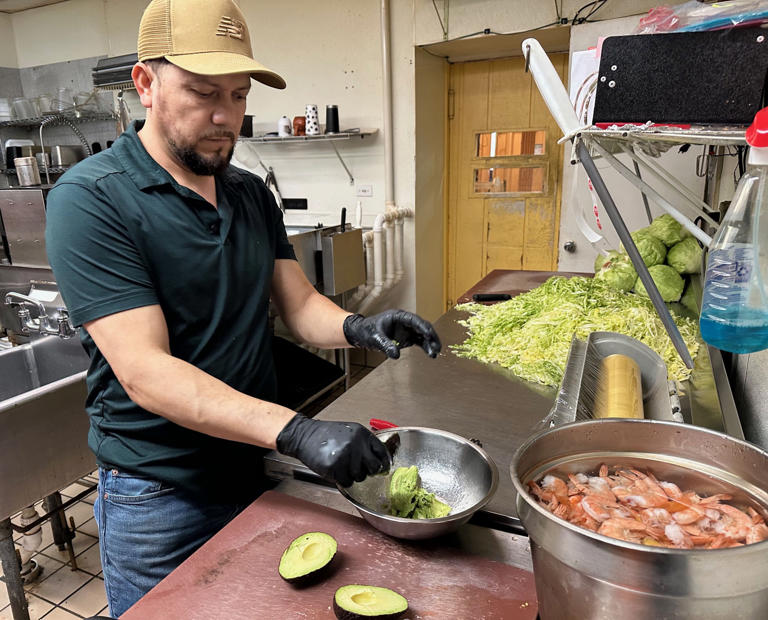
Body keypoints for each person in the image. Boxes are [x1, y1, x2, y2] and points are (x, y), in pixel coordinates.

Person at [44, 0, 441, 615]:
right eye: (203, 93)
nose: (225, 117)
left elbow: (300, 305)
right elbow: (145, 372)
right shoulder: (93, 199)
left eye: (238, 94)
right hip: (159, 494)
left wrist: (362, 326)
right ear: (145, 84)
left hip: (252, 466)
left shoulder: (249, 192)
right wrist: (298, 430)